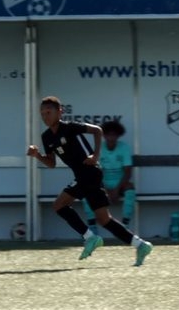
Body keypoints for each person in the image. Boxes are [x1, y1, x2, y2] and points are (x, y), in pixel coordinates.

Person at [26, 96, 152, 266]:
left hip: (90, 173)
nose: (45, 116)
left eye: (49, 112)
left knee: (59, 205)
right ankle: (141, 245)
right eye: (42, 113)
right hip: (84, 176)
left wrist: (96, 155)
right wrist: (37, 155)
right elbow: (51, 163)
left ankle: (90, 237)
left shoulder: (70, 127)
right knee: (104, 219)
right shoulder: (46, 137)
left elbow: (97, 130)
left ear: (60, 112)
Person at [83, 119, 136, 228]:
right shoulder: (99, 148)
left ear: (118, 136)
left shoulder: (124, 147)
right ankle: (92, 228)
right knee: (86, 191)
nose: (111, 138)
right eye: (108, 135)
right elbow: (96, 173)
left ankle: (124, 226)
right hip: (103, 182)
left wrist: (116, 190)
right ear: (104, 136)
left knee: (130, 188)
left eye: (114, 135)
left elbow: (128, 172)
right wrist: (105, 190)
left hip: (119, 182)